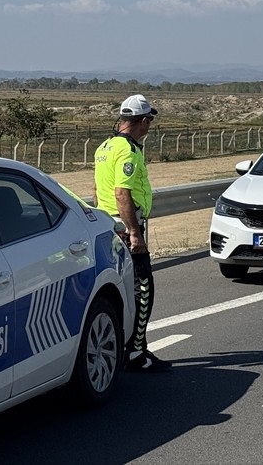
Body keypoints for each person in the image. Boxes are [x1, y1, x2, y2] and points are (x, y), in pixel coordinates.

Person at [93, 94, 171, 372]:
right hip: (126, 226)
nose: (150, 125)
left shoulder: (104, 146)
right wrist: (134, 232)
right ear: (143, 120)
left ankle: (128, 347)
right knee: (143, 287)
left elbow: (97, 189)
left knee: (125, 287)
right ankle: (136, 352)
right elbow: (121, 193)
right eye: (149, 119)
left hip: (109, 223)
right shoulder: (128, 151)